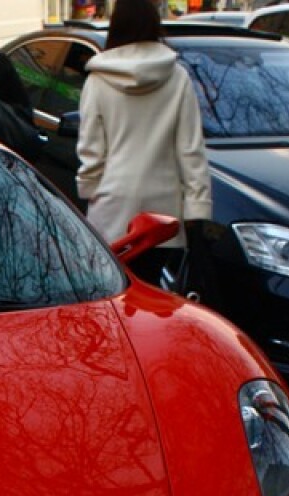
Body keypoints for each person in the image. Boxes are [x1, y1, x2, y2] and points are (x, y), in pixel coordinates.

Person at [76, 0, 212, 283]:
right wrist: (197, 207)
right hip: (163, 213)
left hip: (111, 207)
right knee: (153, 296)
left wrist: (88, 189)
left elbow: (91, 151)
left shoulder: (98, 80)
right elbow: (190, 150)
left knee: (113, 297)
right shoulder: (178, 78)